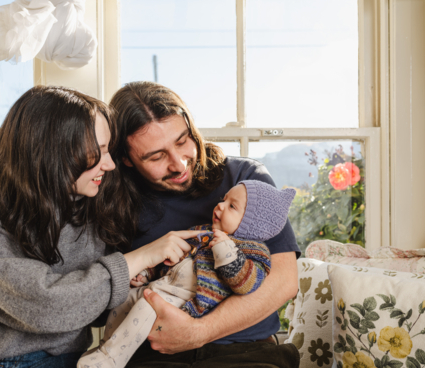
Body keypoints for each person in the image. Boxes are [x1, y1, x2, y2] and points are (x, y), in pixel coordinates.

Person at [0, 85, 200, 368]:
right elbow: (40, 306)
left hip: (57, 359)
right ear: (51, 152)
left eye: (109, 150)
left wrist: (126, 282)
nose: (109, 165)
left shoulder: (102, 196)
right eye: (98, 152)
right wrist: (137, 260)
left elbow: (88, 311)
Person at [95, 81, 302, 368]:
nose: (179, 164)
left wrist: (198, 333)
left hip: (246, 351)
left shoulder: (245, 182)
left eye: (182, 141)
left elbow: (284, 281)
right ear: (126, 160)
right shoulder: (111, 201)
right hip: (151, 353)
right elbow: (94, 303)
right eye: (156, 156)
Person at [78, 180, 296, 368]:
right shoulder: (203, 232)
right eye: (224, 199)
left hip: (186, 299)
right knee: (124, 301)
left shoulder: (254, 252)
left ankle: (112, 359)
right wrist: (148, 273)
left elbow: (245, 283)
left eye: (232, 206)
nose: (219, 206)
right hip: (162, 285)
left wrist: (226, 250)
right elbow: (172, 257)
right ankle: (105, 348)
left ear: (251, 224)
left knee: (145, 309)